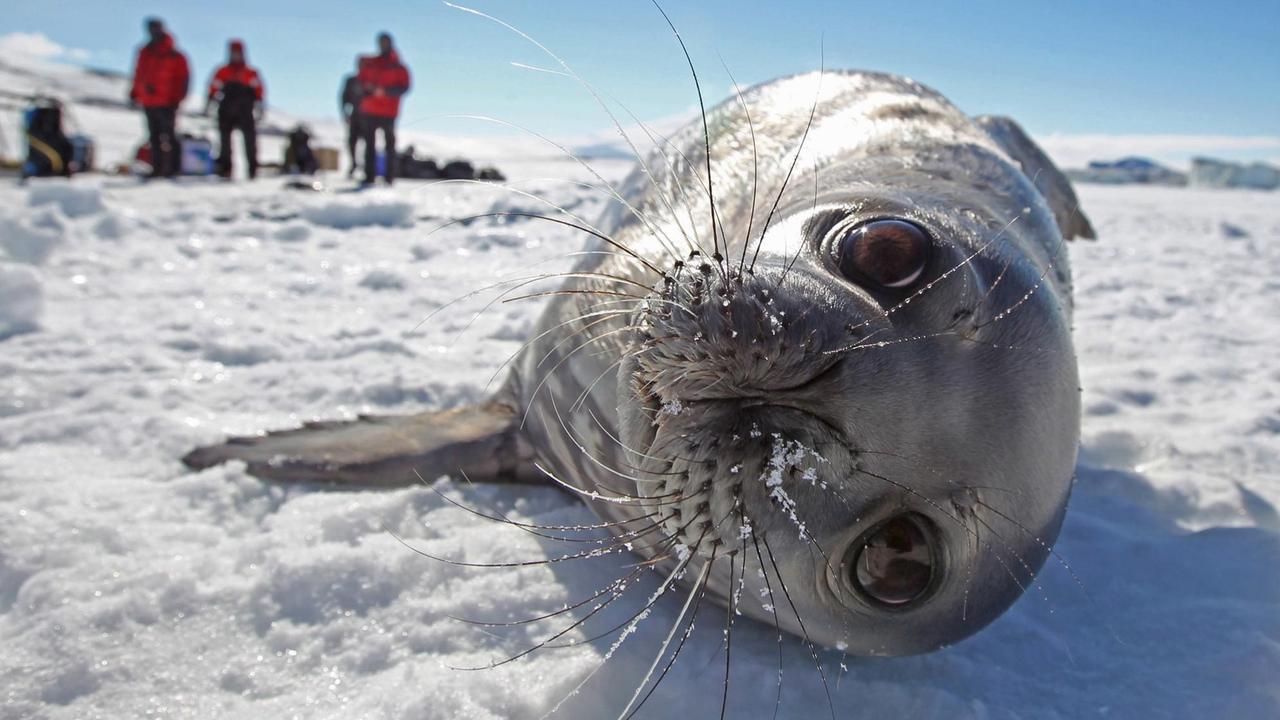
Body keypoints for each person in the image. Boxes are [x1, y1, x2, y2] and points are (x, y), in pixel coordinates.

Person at [129, 18, 190, 179]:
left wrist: (177, 98)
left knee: (169, 135)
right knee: (154, 136)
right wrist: (135, 91)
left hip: (167, 102)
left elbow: (183, 78)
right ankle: (157, 169)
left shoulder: (174, 55)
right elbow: (139, 73)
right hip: (149, 101)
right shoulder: (145, 52)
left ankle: (174, 168)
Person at [356, 32, 411, 186]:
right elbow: (360, 82)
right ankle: (369, 176)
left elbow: (404, 87)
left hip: (389, 111)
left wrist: (386, 92)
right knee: (369, 144)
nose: (383, 45)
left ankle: (389, 177)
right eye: (381, 42)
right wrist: (367, 89)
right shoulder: (371, 63)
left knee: (389, 145)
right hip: (370, 109)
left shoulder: (399, 67)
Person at [206, 39, 264, 179]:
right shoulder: (223, 71)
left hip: (245, 110)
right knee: (225, 142)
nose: (236, 56)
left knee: (250, 141)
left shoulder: (250, 72)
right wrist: (209, 101)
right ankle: (226, 170)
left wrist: (260, 106)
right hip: (226, 110)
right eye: (233, 53)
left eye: (238, 53)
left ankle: (252, 170)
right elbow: (214, 87)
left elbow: (259, 90)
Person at [339, 63, 364, 178]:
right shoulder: (352, 80)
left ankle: (368, 167)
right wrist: (345, 113)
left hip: (370, 117)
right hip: (355, 115)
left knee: (369, 143)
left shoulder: (372, 80)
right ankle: (354, 163)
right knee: (352, 142)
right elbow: (344, 97)